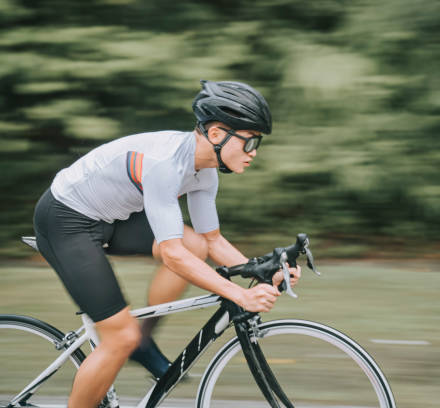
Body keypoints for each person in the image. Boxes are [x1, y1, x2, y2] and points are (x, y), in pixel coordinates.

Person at [32, 80, 300, 408]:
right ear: (217, 134)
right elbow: (172, 255)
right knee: (120, 336)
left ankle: (142, 342)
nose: (254, 152)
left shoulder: (205, 172)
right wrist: (240, 294)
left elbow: (212, 241)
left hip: (110, 219)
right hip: (66, 220)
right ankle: (130, 341)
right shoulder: (165, 164)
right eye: (250, 141)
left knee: (196, 245)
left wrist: (263, 268)